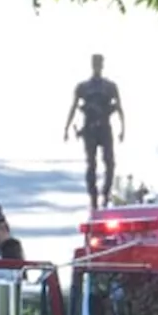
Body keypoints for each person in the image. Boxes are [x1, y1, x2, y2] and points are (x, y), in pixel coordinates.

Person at [63, 54, 126, 212]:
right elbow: (73, 107)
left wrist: (123, 128)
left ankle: (105, 193)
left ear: (102, 65)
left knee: (109, 163)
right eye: (95, 63)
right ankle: (93, 197)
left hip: (105, 127)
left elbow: (119, 107)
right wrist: (67, 127)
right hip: (90, 129)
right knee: (91, 164)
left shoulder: (110, 86)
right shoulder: (83, 87)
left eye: (99, 63)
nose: (97, 66)